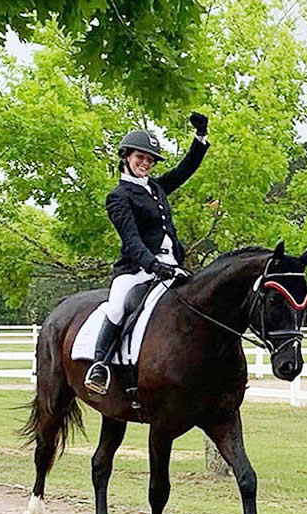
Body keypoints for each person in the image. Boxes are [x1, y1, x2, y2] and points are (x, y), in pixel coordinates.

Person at [84, 112, 210, 395]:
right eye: (140, 157)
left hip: (171, 265)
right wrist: (153, 265)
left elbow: (185, 170)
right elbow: (131, 240)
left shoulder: (156, 188)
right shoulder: (119, 196)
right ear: (126, 157)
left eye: (150, 159)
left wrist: (199, 137)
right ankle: (99, 365)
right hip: (136, 269)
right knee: (117, 307)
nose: (146, 163)